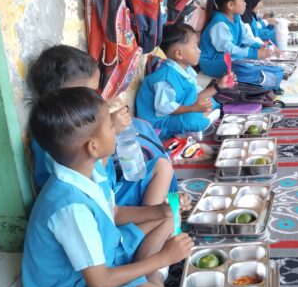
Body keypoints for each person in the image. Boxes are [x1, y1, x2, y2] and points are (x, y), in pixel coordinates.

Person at [22, 87, 193, 287]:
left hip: (107, 251)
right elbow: (99, 283)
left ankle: (143, 273)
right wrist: (164, 258)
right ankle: (152, 275)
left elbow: (113, 213)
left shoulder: (91, 170)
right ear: (93, 147)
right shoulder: (70, 208)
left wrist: (161, 210)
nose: (116, 130)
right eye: (110, 127)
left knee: (170, 215)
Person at [26, 45, 185, 209]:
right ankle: (158, 216)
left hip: (110, 187)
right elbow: (90, 178)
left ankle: (163, 211)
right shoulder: (55, 137)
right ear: (65, 96)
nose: (96, 98)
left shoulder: (73, 122)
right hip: (97, 201)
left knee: (161, 165)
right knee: (162, 208)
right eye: (89, 93)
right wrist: (112, 129)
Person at [137, 23, 234, 140]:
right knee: (192, 120)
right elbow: (164, 108)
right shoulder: (165, 78)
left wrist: (219, 86)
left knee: (210, 101)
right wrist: (193, 108)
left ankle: (199, 122)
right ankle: (195, 127)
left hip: (178, 112)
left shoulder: (185, 69)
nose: (199, 51)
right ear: (179, 54)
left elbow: (196, 96)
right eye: (195, 47)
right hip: (159, 124)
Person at [198, 0, 271, 78]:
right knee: (241, 62)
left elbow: (246, 37)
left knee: (244, 58)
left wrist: (259, 46)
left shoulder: (236, 17)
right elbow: (229, 49)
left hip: (225, 56)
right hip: (212, 62)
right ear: (230, 5)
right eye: (243, 0)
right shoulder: (219, 24)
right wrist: (254, 53)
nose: (245, 3)